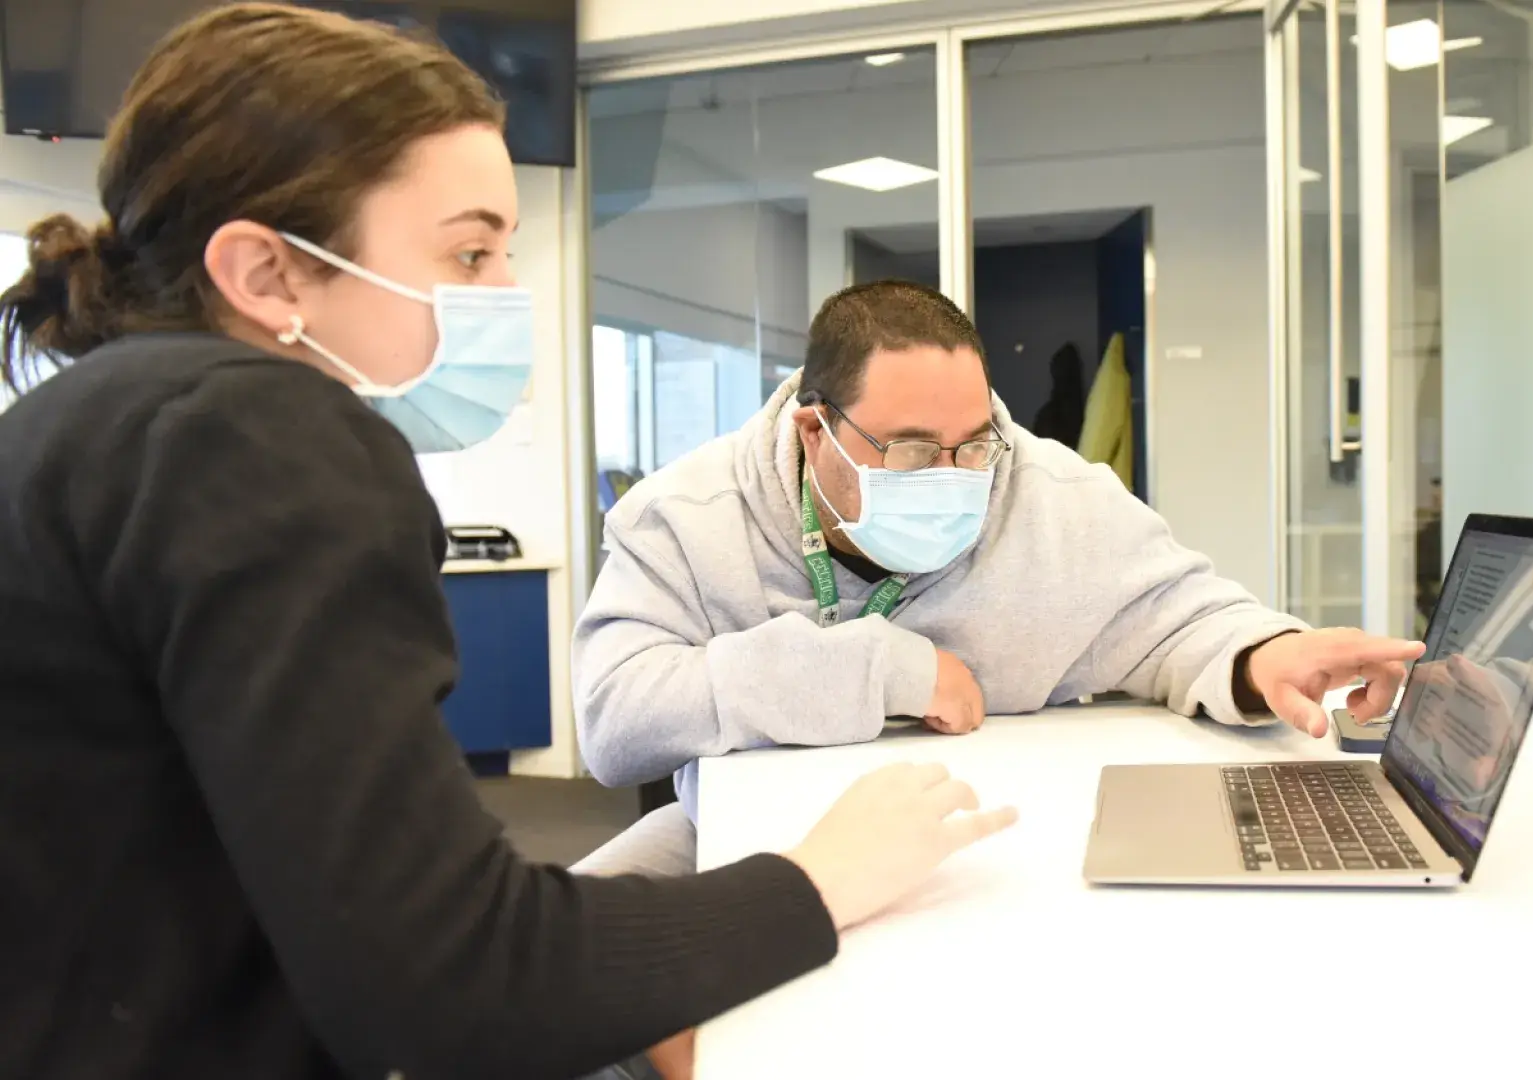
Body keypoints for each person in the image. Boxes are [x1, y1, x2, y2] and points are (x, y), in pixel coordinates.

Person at [0, 8, 1012, 1080]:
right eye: (470, 251)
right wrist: (819, 878)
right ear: (266, 274)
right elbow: (453, 981)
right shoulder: (257, 434)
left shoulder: (90, 425)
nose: (508, 297)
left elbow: (332, 904)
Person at [572, 280, 1425, 875]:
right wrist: (887, 669)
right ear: (812, 432)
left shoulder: (1052, 494)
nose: (953, 475)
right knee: (522, 990)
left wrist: (1262, 654)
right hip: (753, 853)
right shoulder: (685, 514)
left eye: (973, 444)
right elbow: (614, 718)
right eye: (908, 448)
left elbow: (1181, 620)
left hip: (989, 852)